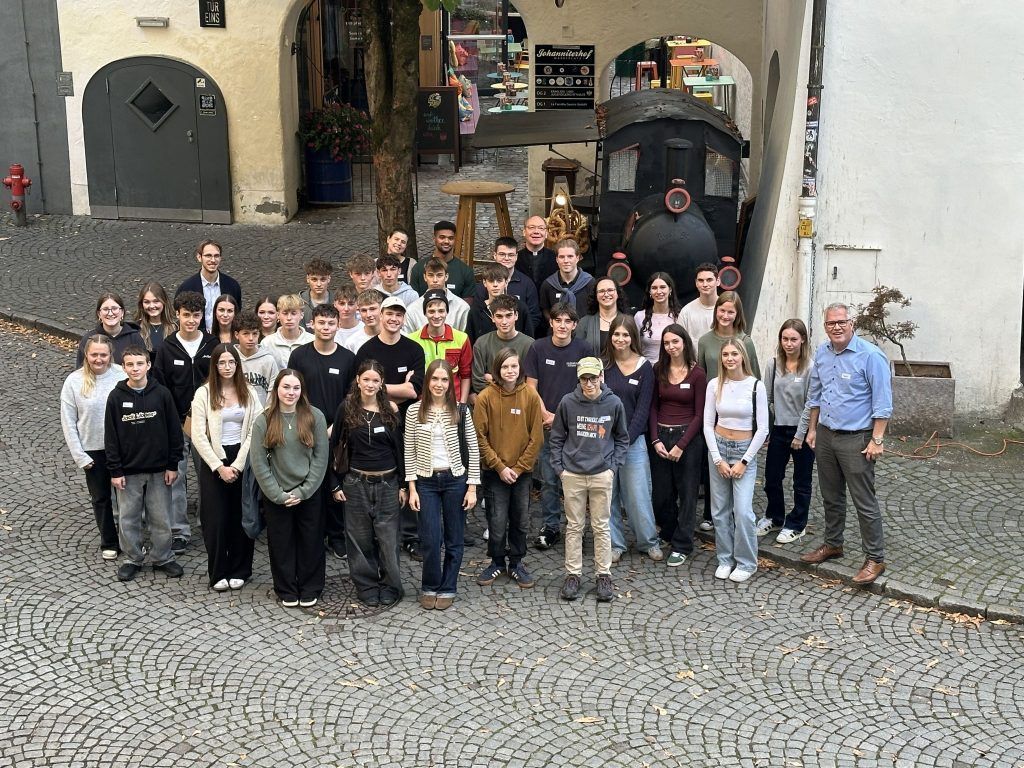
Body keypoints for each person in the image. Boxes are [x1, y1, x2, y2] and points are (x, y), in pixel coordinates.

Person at [800, 303, 892, 585]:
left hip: (857, 439)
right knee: (831, 495)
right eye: (831, 323)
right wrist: (812, 429)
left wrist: (877, 439)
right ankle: (833, 544)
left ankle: (875, 558)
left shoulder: (871, 356)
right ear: (825, 327)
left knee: (864, 501)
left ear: (852, 323)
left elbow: (883, 403)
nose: (836, 327)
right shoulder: (823, 353)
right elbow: (816, 394)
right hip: (826, 435)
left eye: (841, 322)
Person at [549, 357, 629, 602]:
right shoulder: (568, 402)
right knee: (574, 526)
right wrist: (560, 468)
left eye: (593, 378)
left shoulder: (614, 403)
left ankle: (603, 574)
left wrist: (613, 467)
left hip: (601, 473)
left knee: (601, 526)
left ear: (601, 377)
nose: (589, 383)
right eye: (584, 378)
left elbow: (622, 438)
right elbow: (557, 437)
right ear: (579, 380)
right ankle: (573, 574)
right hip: (572, 473)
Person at [249, 370, 330, 608]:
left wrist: (304, 491)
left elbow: (320, 458)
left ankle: (310, 586)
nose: (291, 393)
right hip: (277, 494)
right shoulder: (264, 420)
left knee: (311, 541)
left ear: (302, 391)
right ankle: (286, 588)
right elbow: (259, 462)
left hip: (309, 492)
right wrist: (277, 494)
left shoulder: (315, 417)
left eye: (296, 388)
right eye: (286, 387)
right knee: (281, 543)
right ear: (277, 390)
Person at [104, 346, 184, 582]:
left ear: (148, 365)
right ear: (124, 367)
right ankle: (132, 558)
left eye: (140, 363)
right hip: (128, 471)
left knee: (161, 517)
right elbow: (111, 437)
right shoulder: (116, 397)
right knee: (128, 518)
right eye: (130, 364)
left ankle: (164, 557)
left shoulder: (162, 394)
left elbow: (174, 432)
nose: (135, 368)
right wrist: (115, 470)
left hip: (160, 470)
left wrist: (172, 465)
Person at [404, 360, 480, 610]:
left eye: (444, 380)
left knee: (454, 537)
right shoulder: (414, 411)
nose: (439, 384)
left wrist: (472, 486)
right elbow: (409, 451)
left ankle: (448, 586)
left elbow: (473, 448)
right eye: (434, 379)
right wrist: (412, 487)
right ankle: (430, 584)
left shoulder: (461, 410)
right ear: (427, 382)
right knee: (430, 538)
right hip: (425, 482)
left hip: (455, 479)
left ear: (451, 383)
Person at [329, 360, 406, 607]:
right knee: (359, 539)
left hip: (388, 483)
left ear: (381, 383)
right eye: (366, 379)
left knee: (388, 539)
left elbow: (400, 450)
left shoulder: (391, 410)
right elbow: (335, 449)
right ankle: (367, 585)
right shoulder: (346, 408)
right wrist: (335, 484)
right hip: (356, 482)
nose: (370, 384)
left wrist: (404, 485)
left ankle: (390, 585)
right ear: (358, 380)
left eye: (375, 380)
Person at [355, 296, 426, 559]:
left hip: (409, 423)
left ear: (404, 318)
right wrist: (395, 393)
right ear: (381, 316)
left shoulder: (414, 349)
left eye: (399, 314)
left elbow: (414, 390)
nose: (394, 319)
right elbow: (360, 390)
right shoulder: (367, 351)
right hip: (373, 424)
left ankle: (411, 536)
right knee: (380, 476)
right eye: (389, 314)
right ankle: (376, 534)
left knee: (410, 474)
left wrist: (379, 390)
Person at [288, 304, 357, 559]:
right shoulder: (300, 356)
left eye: (331, 323)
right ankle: (313, 535)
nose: (326, 328)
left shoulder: (348, 359)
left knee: (337, 482)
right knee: (311, 483)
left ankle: (337, 535)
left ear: (338, 325)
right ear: (312, 324)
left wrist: (335, 427)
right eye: (321, 323)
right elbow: (293, 392)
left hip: (338, 432)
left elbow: (351, 397)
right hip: (306, 429)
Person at [524, 302, 594, 549]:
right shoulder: (537, 348)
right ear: (551, 323)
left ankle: (577, 528)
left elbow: (589, 387)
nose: (562, 326)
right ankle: (551, 526)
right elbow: (531, 387)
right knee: (549, 479)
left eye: (568, 321)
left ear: (575, 325)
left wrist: (563, 417)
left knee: (576, 480)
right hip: (545, 424)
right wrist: (545, 414)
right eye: (558, 320)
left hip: (576, 426)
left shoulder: (584, 349)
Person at [190, 344, 261, 591]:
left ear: (238, 365)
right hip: (214, 459)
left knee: (241, 515)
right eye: (222, 363)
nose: (227, 367)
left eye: (231, 362)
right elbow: (198, 435)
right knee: (216, 518)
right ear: (215, 365)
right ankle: (218, 570)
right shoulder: (204, 393)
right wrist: (219, 466)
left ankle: (241, 569)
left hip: (242, 456)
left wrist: (239, 464)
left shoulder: (249, 392)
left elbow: (256, 429)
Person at [473, 348, 544, 589]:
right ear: (497, 370)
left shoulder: (531, 397)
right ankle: (496, 561)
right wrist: (500, 467)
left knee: (521, 520)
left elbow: (537, 437)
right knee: (496, 519)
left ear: (520, 368)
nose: (510, 371)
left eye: (514, 366)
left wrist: (520, 467)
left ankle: (516, 562)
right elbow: (479, 437)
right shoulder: (485, 398)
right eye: (505, 367)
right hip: (495, 473)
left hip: (522, 473)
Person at [153, 291, 217, 553]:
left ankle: (209, 522)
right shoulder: (167, 348)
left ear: (202, 316)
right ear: (177, 315)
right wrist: (172, 422)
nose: (191, 320)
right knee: (176, 478)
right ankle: (179, 529)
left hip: (208, 424)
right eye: (187, 315)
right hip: (177, 425)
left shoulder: (212, 345)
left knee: (208, 475)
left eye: (196, 315)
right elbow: (161, 388)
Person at [703, 339, 769, 583]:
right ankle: (725, 558)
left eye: (734, 354)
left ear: (743, 356)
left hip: (744, 450)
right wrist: (717, 458)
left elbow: (762, 429)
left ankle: (746, 562)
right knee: (719, 511)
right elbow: (708, 424)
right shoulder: (715, 385)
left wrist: (744, 461)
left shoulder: (756, 386)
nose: (730, 358)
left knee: (742, 511)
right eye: (725, 354)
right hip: (719, 448)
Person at [601, 316, 663, 562]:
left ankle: (648, 541)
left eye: (626, 335)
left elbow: (643, 410)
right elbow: (598, 405)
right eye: (616, 334)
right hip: (604, 441)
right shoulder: (603, 365)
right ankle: (615, 544)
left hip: (634, 443)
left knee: (638, 496)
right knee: (608, 496)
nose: (620, 339)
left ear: (633, 338)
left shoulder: (645, 367)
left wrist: (625, 440)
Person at [60, 335, 127, 560]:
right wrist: (80, 456)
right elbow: (68, 421)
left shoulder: (122, 374)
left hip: (121, 448)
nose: (99, 359)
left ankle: (131, 540)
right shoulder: (73, 381)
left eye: (103, 355)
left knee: (129, 498)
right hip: (92, 449)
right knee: (101, 498)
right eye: (94, 354)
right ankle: (109, 541)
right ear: (86, 355)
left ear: (110, 355)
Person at [648, 324, 707, 567]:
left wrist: (682, 444)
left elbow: (700, 414)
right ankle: (669, 532)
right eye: (666, 343)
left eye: (675, 341)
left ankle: (683, 543)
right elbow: (652, 407)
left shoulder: (698, 374)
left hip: (688, 440)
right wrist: (655, 440)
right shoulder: (657, 369)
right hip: (661, 435)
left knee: (687, 493)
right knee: (662, 494)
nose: (671, 347)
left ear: (684, 342)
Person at [757, 319, 815, 545]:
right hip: (779, 429)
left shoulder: (810, 367)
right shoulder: (774, 364)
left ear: (802, 340)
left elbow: (811, 403)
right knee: (772, 477)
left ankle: (797, 523)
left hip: (802, 431)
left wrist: (800, 434)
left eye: (793, 339)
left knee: (801, 481)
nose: (789, 344)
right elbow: (767, 398)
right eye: (785, 339)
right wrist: (768, 429)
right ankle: (775, 516)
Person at [408, 289, 473, 403]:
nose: (436, 315)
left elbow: (466, 375)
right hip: (423, 402)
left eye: (441, 311)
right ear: (425, 313)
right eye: (431, 311)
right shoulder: (412, 340)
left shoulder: (461, 338)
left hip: (453, 402)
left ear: (447, 312)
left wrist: (462, 404)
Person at [470, 294, 534, 400]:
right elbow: (477, 382)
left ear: (516, 315)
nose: (504, 322)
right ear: (492, 317)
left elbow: (529, 382)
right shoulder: (482, 343)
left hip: (520, 402)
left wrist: (493, 379)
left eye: (508, 315)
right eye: (499, 316)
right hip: (491, 402)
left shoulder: (530, 344)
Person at [473, 236, 542, 333]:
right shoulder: (481, 287)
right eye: (502, 254)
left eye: (510, 255)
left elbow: (534, 316)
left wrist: (515, 335)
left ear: (516, 256)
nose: (506, 258)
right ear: (495, 255)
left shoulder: (527, 284)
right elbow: (477, 317)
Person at [175, 239, 242, 333]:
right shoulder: (187, 287)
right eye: (208, 256)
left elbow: (237, 315)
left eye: (216, 256)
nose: (213, 260)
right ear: (199, 257)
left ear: (220, 258)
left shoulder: (232, 286)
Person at [696, 290, 761, 380]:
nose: (725, 316)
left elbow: (755, 377)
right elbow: (700, 377)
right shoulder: (704, 341)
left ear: (737, 314)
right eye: (722, 310)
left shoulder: (745, 342)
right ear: (716, 311)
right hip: (713, 392)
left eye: (730, 312)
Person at [466, 262, 532, 342]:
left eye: (499, 281)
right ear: (484, 283)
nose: (495, 285)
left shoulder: (520, 308)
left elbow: (529, 339)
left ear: (506, 282)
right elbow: (470, 342)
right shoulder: (476, 311)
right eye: (491, 281)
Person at [408, 220, 476, 298]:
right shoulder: (419, 268)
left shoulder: (465, 271)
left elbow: (468, 302)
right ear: (434, 239)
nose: (446, 241)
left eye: (450, 238)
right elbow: (413, 299)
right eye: (442, 237)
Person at [76, 292, 145, 367]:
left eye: (114, 309)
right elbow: (81, 371)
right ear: (99, 314)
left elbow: (143, 368)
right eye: (105, 309)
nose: (110, 313)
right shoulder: (88, 339)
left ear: (122, 312)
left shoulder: (135, 338)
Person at [403, 258, 470, 333]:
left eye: (439, 275)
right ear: (425, 277)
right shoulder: (413, 309)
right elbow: (408, 339)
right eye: (431, 275)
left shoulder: (462, 307)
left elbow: (465, 339)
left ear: (446, 277)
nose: (435, 280)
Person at [539, 238, 594, 319]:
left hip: (584, 330)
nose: (566, 261)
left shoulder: (590, 283)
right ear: (557, 259)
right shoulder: (548, 285)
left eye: (570, 256)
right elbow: (545, 310)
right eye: (561, 257)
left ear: (577, 258)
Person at [233, 311, 280, 406]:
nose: (251, 338)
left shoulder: (268, 360)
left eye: (255, 333)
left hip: (262, 414)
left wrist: (266, 414)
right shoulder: (231, 357)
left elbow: (273, 391)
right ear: (237, 335)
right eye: (246, 333)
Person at [634, 272, 683, 364]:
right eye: (654, 288)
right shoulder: (639, 317)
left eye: (662, 287)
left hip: (672, 369)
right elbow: (635, 349)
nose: (658, 291)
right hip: (647, 370)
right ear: (650, 292)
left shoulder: (680, 316)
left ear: (670, 289)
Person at [259, 294, 314, 370]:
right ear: (278, 315)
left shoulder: (312, 341)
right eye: (285, 313)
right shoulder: (267, 343)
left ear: (301, 315)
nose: (289, 318)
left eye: (293, 313)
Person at [579, 276, 627, 353]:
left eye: (610, 290)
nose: (606, 294)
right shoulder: (584, 322)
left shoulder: (628, 321)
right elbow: (577, 351)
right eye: (601, 291)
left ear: (617, 294)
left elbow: (634, 352)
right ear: (596, 296)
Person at [678, 262, 720, 351]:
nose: (705, 284)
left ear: (718, 281)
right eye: (701, 280)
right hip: (695, 363)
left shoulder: (728, 308)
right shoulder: (686, 312)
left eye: (709, 280)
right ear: (696, 283)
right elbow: (679, 342)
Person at [515, 215, 557, 290]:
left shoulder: (556, 258)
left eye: (541, 228)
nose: (536, 232)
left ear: (546, 233)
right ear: (524, 232)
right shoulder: (515, 258)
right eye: (531, 227)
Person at [135, 282, 176, 356]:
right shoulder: (135, 329)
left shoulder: (176, 327)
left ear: (164, 302)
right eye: (147, 302)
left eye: (156, 301)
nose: (151, 306)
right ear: (141, 304)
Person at [344, 289, 383, 354]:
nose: (368, 315)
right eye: (364, 310)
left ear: (381, 309)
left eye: (372, 309)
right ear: (359, 312)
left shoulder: (397, 336)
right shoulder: (351, 342)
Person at [299, 257, 334, 329]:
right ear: (308, 279)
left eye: (323, 279)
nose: (318, 284)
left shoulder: (338, 301)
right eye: (314, 279)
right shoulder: (298, 302)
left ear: (329, 279)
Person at [332, 283, 364, 349]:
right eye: (342, 304)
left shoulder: (364, 329)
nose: (346, 309)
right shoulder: (330, 330)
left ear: (358, 305)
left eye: (351, 304)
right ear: (335, 304)